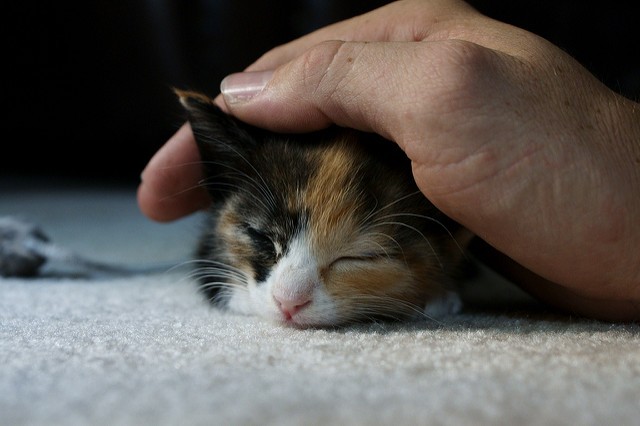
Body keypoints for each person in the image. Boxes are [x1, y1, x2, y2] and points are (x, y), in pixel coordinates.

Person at [137, 0, 640, 321]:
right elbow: (212, 260)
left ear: (450, 240)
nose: (287, 297)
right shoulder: (245, 208)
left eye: (358, 257)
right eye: (262, 241)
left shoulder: (448, 201)